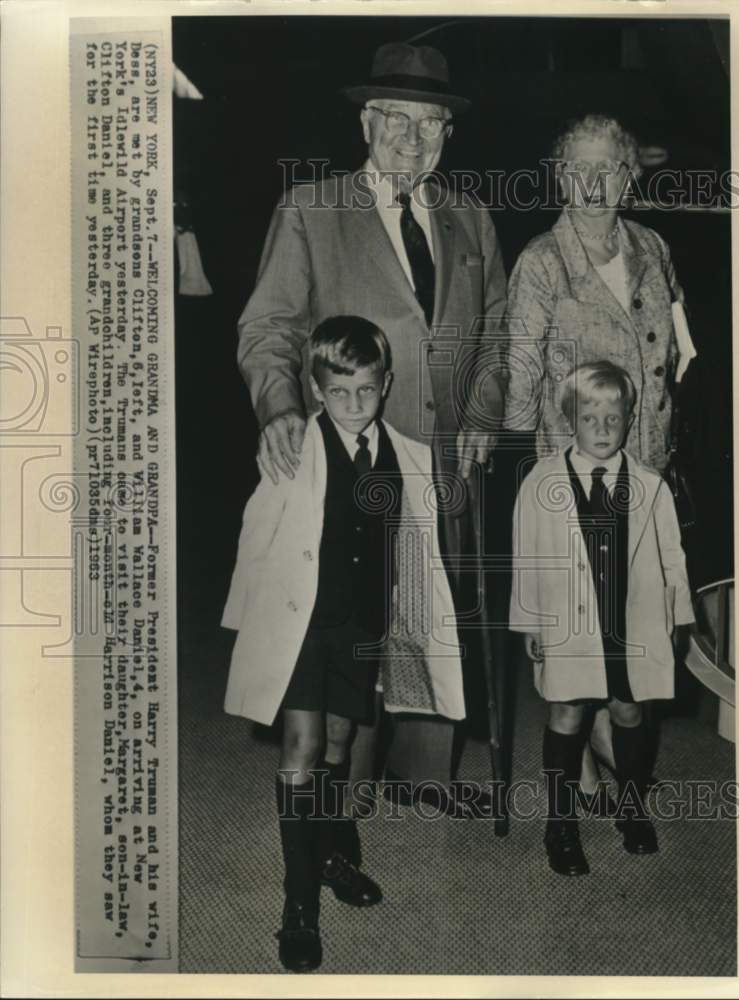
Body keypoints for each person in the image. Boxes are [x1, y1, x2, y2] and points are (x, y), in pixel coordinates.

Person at [236, 41, 507, 800]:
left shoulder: (471, 218)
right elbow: (269, 328)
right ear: (365, 123)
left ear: (447, 135)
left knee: (430, 613)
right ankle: (343, 794)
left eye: (427, 125)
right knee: (352, 619)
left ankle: (421, 775)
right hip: (346, 454)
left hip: (447, 456)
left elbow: (497, 330)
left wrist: (484, 410)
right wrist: (281, 406)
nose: (410, 139)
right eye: (395, 121)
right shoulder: (311, 210)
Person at [222, 317, 464, 970]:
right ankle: (297, 903)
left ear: (386, 384)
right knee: (300, 747)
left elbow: (416, 555)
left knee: (336, 744)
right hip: (300, 623)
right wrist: (248, 622)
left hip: (363, 629)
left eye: (366, 390)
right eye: (338, 391)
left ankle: (328, 852)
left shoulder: (410, 457)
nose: (354, 405)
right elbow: (257, 531)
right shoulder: (293, 447)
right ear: (315, 388)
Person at [503, 112, 694, 794]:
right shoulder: (541, 260)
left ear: (628, 176)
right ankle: (579, 748)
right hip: (573, 477)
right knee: (573, 631)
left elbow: (673, 351)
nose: (591, 183)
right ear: (558, 177)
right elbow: (521, 370)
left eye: (606, 168)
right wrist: (523, 479)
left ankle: (612, 738)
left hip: (645, 469)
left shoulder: (652, 246)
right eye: (576, 169)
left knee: (633, 621)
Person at [509, 361, 694, 876]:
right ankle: (560, 823)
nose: (604, 429)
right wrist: (529, 622)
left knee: (629, 711)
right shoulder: (541, 482)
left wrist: (677, 621)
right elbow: (525, 557)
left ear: (630, 419)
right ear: (571, 419)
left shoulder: (651, 485)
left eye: (615, 417)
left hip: (630, 621)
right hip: (568, 621)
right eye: (591, 418)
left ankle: (632, 807)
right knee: (566, 714)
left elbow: (672, 558)